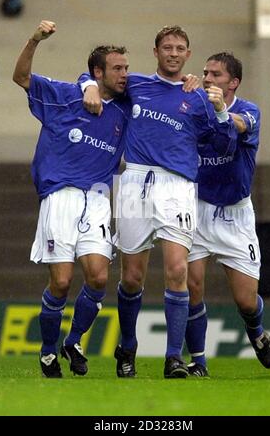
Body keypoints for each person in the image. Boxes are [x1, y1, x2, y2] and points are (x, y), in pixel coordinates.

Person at [80, 27, 238, 379]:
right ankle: (128, 348)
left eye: (180, 48)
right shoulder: (134, 84)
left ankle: (173, 358)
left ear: (188, 53)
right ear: (155, 52)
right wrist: (87, 85)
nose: (173, 53)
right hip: (135, 181)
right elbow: (96, 75)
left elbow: (224, 147)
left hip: (177, 186)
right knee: (133, 277)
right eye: (167, 47)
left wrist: (222, 112)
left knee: (177, 271)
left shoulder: (199, 97)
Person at [13, 20, 130, 378]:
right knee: (61, 282)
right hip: (60, 195)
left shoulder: (126, 110)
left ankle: (73, 340)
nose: (125, 74)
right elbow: (20, 77)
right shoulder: (64, 96)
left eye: (126, 68)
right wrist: (35, 39)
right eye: (117, 69)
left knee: (97, 278)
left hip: (97, 198)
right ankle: (48, 352)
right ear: (98, 71)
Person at [185, 52, 270, 377]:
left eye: (217, 75)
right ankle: (198, 362)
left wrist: (222, 110)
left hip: (235, 215)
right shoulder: (194, 108)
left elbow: (240, 125)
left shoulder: (248, 111)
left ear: (233, 82)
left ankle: (257, 331)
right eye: (206, 73)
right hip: (197, 209)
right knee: (191, 285)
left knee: (246, 301)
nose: (208, 79)